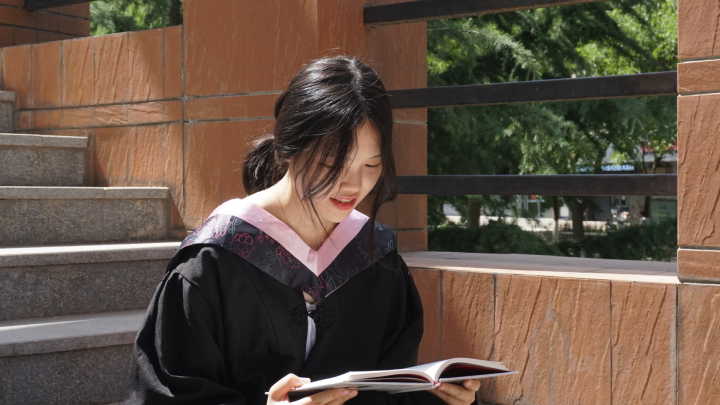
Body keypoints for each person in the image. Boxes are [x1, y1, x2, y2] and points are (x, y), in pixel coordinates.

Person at [124, 55, 481, 405]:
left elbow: (388, 390)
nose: (353, 185)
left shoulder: (375, 258)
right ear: (288, 148)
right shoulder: (212, 263)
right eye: (332, 164)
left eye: (371, 165)